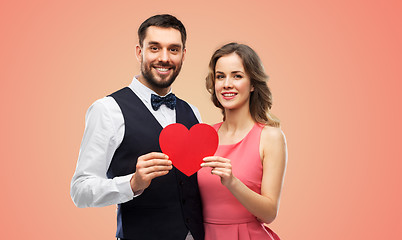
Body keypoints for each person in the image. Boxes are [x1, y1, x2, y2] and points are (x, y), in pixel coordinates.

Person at [70, 14, 204, 240]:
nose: (164, 58)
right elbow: (80, 191)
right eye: (154, 48)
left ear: (183, 55)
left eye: (173, 49)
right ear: (139, 52)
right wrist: (132, 183)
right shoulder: (107, 109)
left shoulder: (193, 112)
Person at [198, 42, 287, 240]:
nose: (227, 84)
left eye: (237, 76)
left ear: (253, 83)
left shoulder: (270, 137)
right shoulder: (204, 135)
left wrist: (232, 182)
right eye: (220, 76)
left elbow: (269, 213)